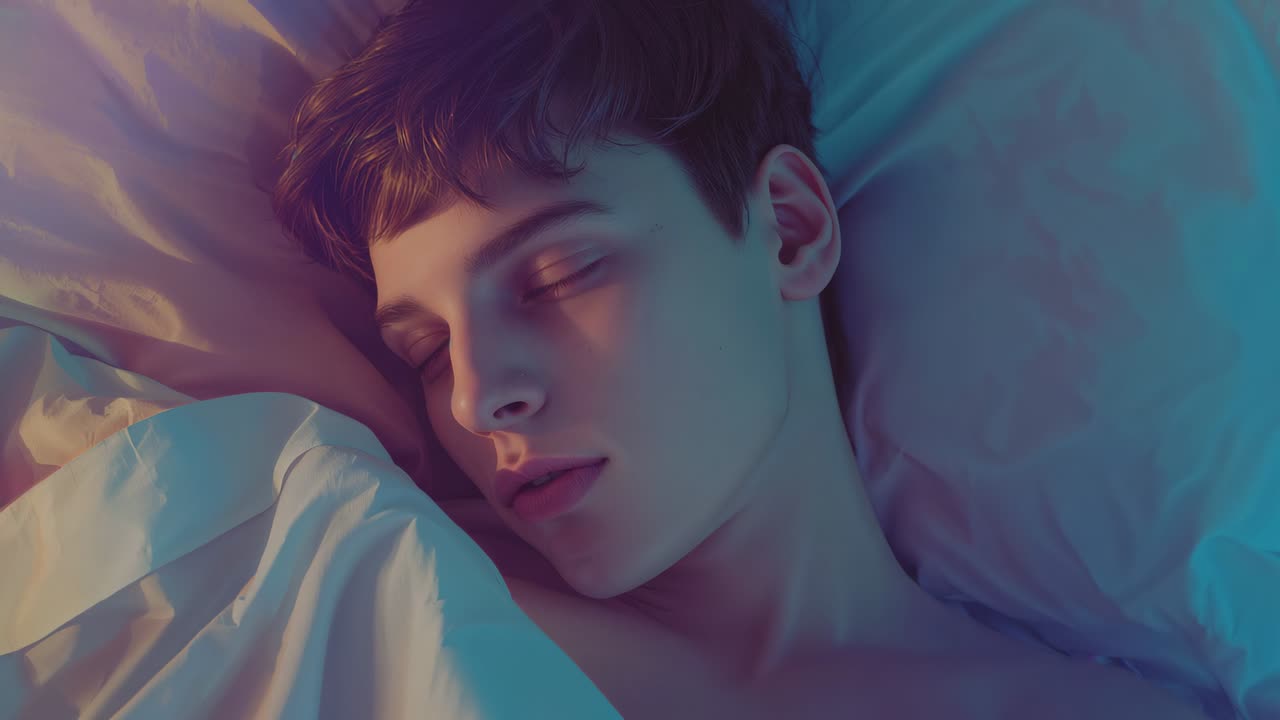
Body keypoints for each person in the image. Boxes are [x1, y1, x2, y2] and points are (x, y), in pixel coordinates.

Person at [271, 1, 1207, 717]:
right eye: (427, 349)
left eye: (555, 276)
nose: (475, 398)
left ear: (790, 230)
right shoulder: (372, 593)